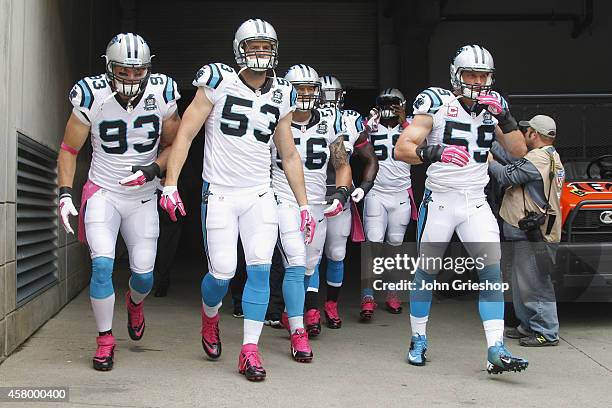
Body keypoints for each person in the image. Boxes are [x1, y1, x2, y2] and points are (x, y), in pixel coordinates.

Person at [160, 19, 311, 381]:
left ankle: (249, 351)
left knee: (259, 268)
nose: (260, 54)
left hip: (260, 193)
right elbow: (185, 135)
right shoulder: (217, 81)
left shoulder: (283, 93)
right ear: (239, 49)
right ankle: (209, 315)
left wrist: (304, 204)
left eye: (266, 47)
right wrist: (170, 184)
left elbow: (288, 154)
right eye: (253, 46)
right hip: (221, 192)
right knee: (222, 273)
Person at [394, 44, 530, 374]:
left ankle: (495, 349)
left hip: (475, 200)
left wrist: (505, 118)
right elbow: (402, 149)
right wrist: (434, 153)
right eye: (472, 74)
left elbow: (518, 152)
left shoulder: (493, 106)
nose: (479, 81)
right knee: (426, 272)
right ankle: (418, 338)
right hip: (440, 199)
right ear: (456, 75)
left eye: (484, 75)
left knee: (492, 275)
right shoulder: (436, 102)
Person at [57, 33, 181, 371]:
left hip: (142, 196)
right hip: (104, 193)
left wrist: (154, 169)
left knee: (143, 277)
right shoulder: (90, 94)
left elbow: (176, 145)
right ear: (109, 67)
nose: (130, 78)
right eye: (123, 71)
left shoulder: (162, 92)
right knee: (101, 265)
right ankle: (105, 340)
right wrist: (65, 193)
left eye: (137, 70)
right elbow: (69, 149)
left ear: (148, 69)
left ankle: (135, 303)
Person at [271, 64, 352, 355]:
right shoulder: (276, 119)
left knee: (308, 266)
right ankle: (298, 330)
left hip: (317, 203)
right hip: (284, 199)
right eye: (299, 88)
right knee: (294, 261)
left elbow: (342, 164)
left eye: (309, 88)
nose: (305, 94)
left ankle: (292, 311)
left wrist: (342, 194)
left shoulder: (329, 122)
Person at [306, 74, 379, 330]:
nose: (327, 102)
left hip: (340, 198)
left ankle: (331, 305)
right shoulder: (300, 118)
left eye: (331, 96)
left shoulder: (350, 120)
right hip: (311, 197)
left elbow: (370, 158)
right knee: (310, 258)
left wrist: (364, 186)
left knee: (336, 254)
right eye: (322, 95)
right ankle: (311, 309)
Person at [488, 115, 564, 347]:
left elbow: (505, 175)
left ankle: (546, 332)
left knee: (535, 283)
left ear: (535, 134)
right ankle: (528, 326)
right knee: (523, 281)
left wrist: (488, 159)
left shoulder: (539, 158)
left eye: (526, 131)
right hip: (529, 232)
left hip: (535, 234)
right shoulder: (544, 156)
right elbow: (513, 162)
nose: (523, 135)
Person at [360, 88, 415, 320]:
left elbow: (424, 145)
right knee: (373, 245)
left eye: (394, 104)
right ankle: (367, 295)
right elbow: (353, 144)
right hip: (376, 192)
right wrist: (366, 127)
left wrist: (405, 122)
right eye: (386, 103)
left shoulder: (412, 125)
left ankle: (392, 291)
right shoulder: (369, 123)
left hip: (401, 192)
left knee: (395, 245)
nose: (390, 108)